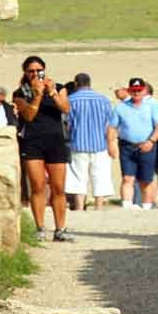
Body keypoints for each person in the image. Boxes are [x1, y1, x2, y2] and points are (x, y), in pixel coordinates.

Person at [10, 56, 73, 242]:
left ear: (45, 70)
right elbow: (28, 116)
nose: (35, 74)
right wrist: (37, 95)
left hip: (56, 141)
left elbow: (66, 108)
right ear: (25, 73)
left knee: (58, 187)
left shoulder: (59, 88)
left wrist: (51, 92)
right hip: (33, 142)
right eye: (31, 71)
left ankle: (60, 229)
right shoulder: (20, 93)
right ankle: (40, 228)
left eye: (39, 70)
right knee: (38, 186)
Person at [65, 72, 119, 211]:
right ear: (89, 83)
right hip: (100, 144)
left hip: (77, 143)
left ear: (76, 84)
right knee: (100, 176)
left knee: (78, 176)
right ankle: (98, 206)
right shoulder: (103, 99)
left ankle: (79, 207)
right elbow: (110, 124)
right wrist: (111, 143)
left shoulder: (71, 100)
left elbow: (67, 124)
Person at [113, 77, 158, 209]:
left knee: (145, 180)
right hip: (127, 146)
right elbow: (112, 127)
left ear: (144, 91)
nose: (136, 93)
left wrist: (151, 141)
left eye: (139, 90)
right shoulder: (121, 107)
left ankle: (147, 206)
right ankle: (127, 206)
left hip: (147, 145)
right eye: (134, 90)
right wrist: (111, 144)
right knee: (127, 178)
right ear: (129, 90)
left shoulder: (153, 105)